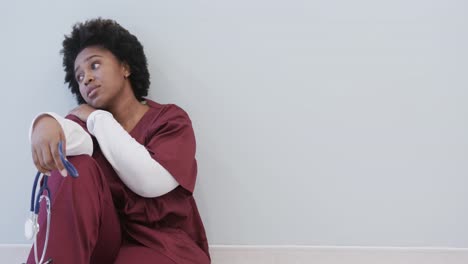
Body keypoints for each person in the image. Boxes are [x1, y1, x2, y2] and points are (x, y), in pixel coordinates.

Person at [27, 18, 210, 264]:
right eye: (79, 77)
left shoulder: (170, 119)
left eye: (94, 65)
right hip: (106, 242)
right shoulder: (85, 126)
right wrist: (44, 123)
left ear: (125, 67)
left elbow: (151, 181)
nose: (87, 79)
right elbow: (67, 140)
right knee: (73, 167)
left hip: (163, 245)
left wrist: (98, 118)